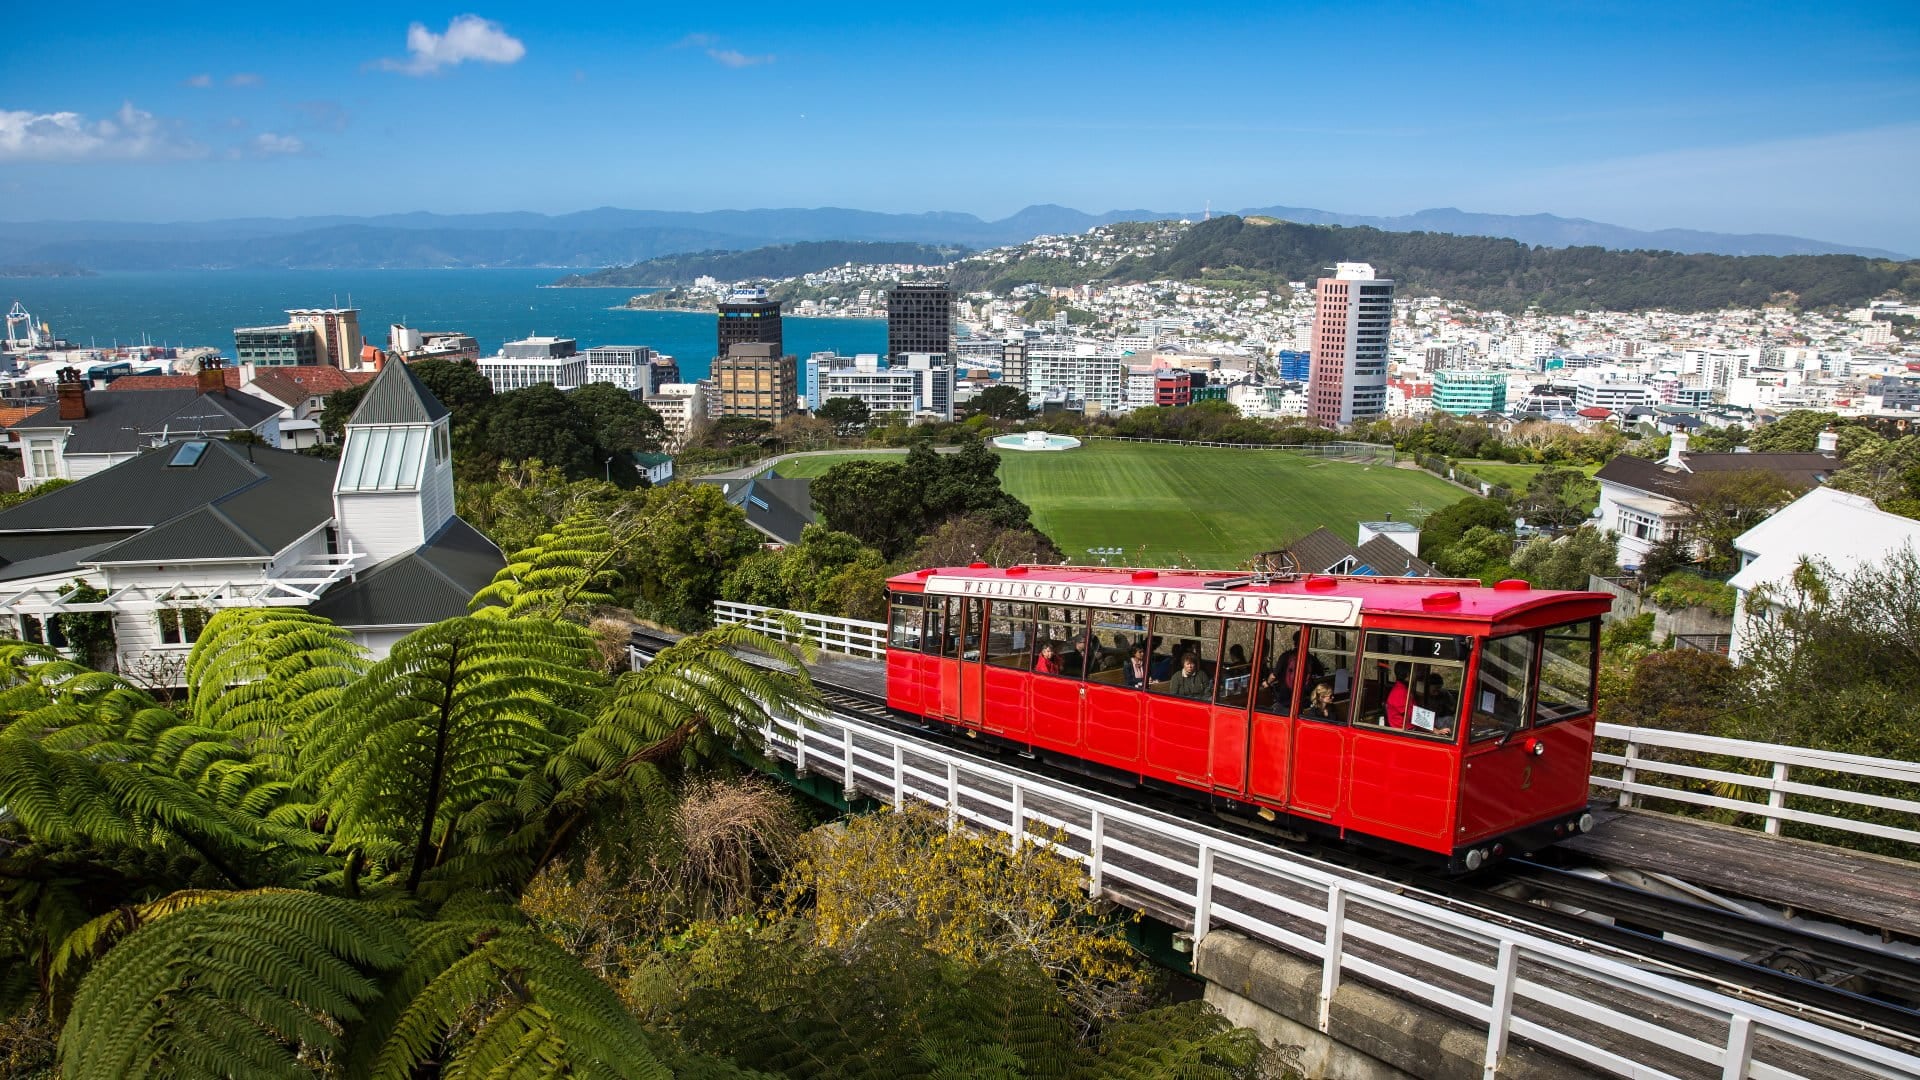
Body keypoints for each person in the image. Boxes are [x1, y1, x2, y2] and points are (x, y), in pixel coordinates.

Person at [1384, 661, 1412, 729]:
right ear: (1408, 675)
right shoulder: (1399, 692)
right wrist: (1432, 729)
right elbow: (1410, 715)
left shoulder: (1403, 688)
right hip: (1403, 730)